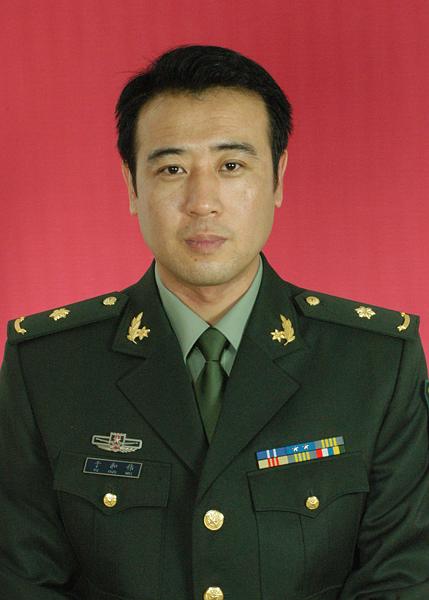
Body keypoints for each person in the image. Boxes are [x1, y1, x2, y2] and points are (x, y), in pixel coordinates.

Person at [0, 45, 428, 600]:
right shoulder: (46, 367)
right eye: (172, 169)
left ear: (278, 177)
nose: (202, 202)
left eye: (231, 166)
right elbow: (21, 577)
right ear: (132, 186)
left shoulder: (377, 364)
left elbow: (403, 576)